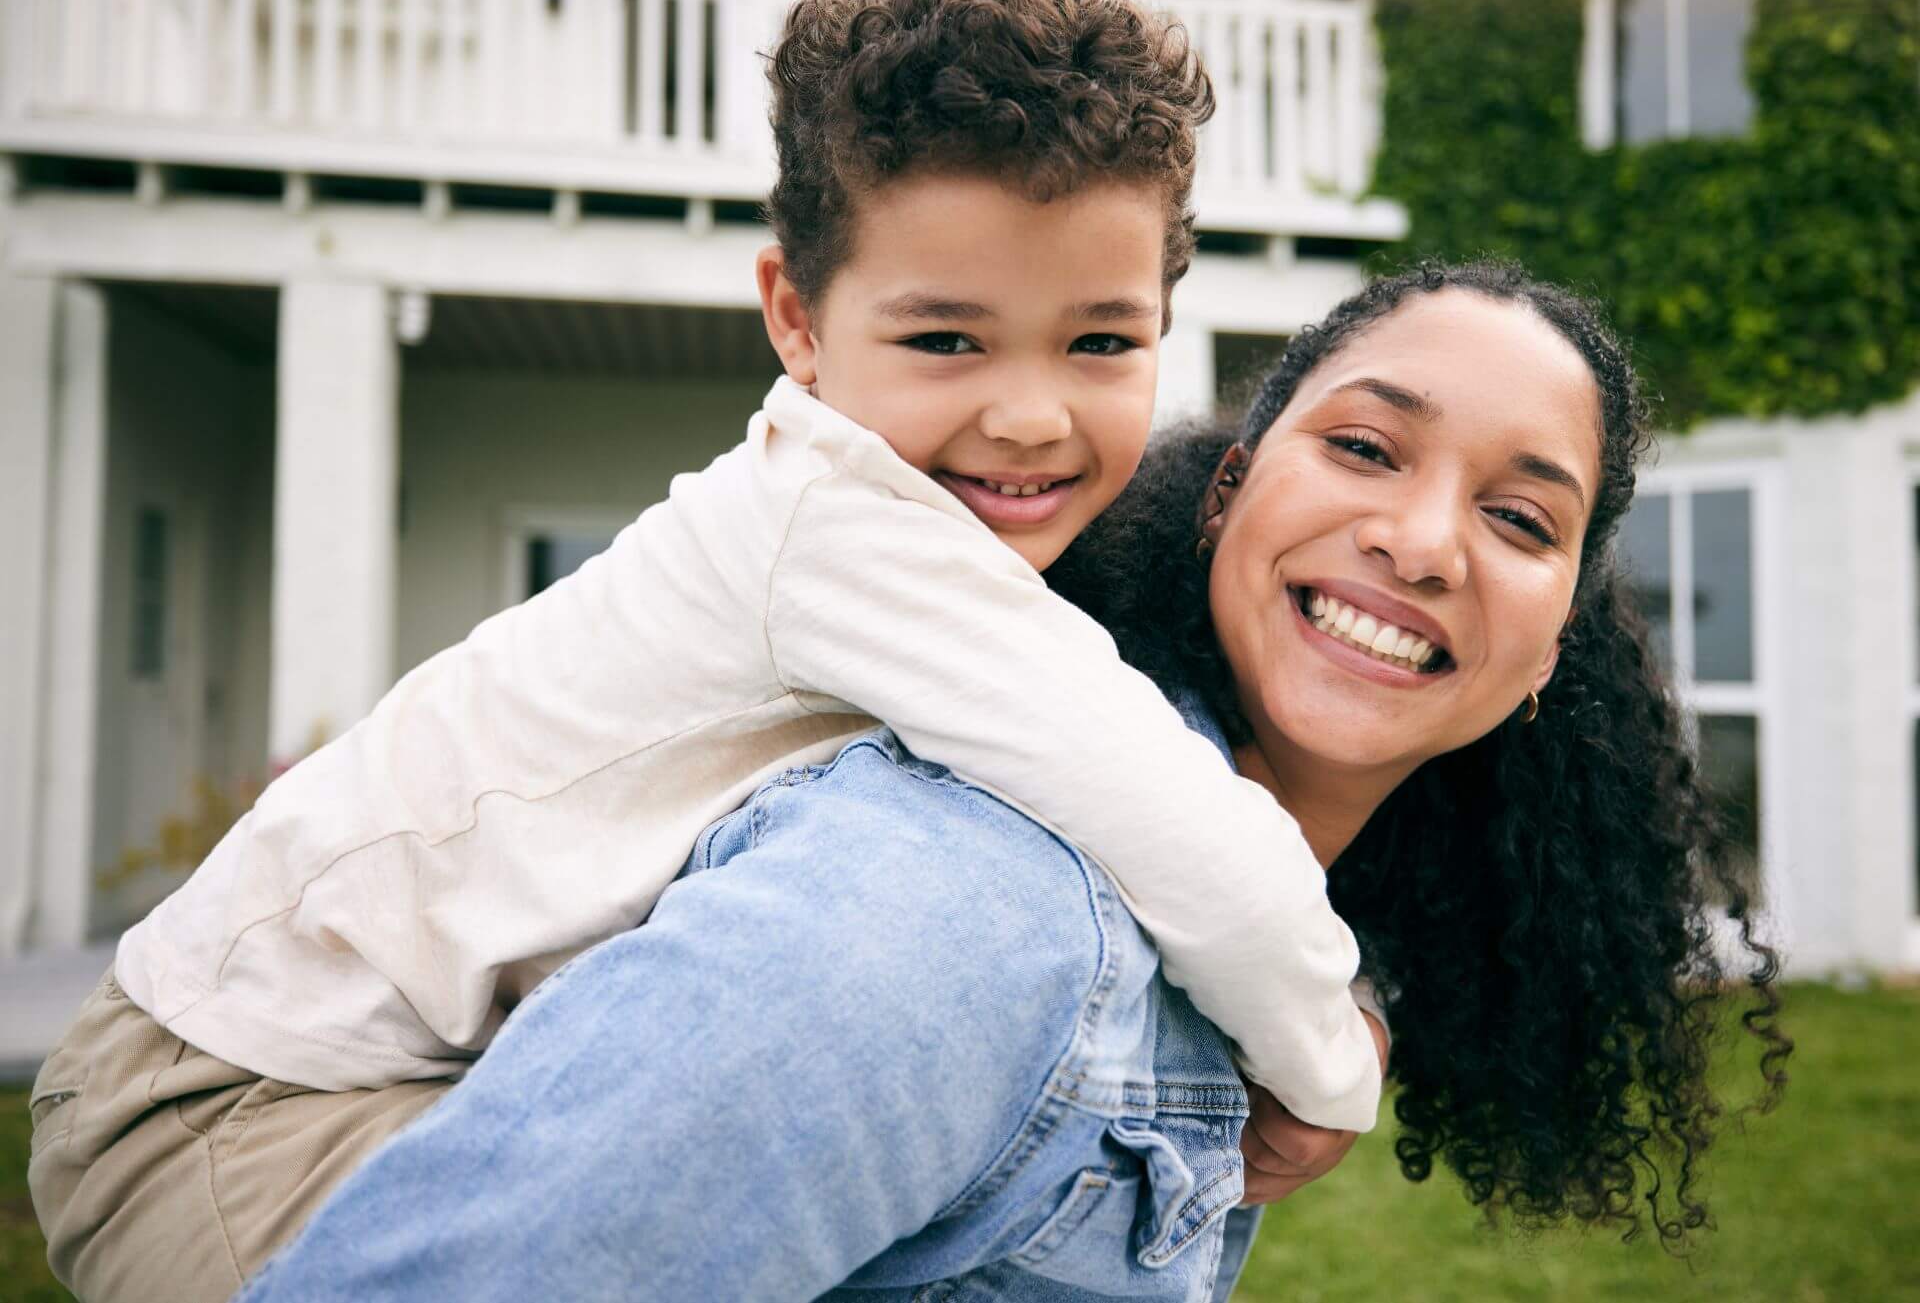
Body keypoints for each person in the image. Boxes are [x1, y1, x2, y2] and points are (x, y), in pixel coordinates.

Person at [27, 0, 1389, 1303]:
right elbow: (1170, 817)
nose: (1031, 413)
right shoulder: (840, 529)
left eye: (1101, 344)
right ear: (796, 317)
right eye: (946, 342)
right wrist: (1326, 1051)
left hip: (380, 1060)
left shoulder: (911, 539)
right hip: (231, 1094)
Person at [221, 263, 1785, 1298]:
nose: (1430, 540)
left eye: (1523, 520)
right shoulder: (975, 902)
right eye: (1369, 449)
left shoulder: (1202, 951)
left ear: (1552, 645)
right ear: (1231, 487)